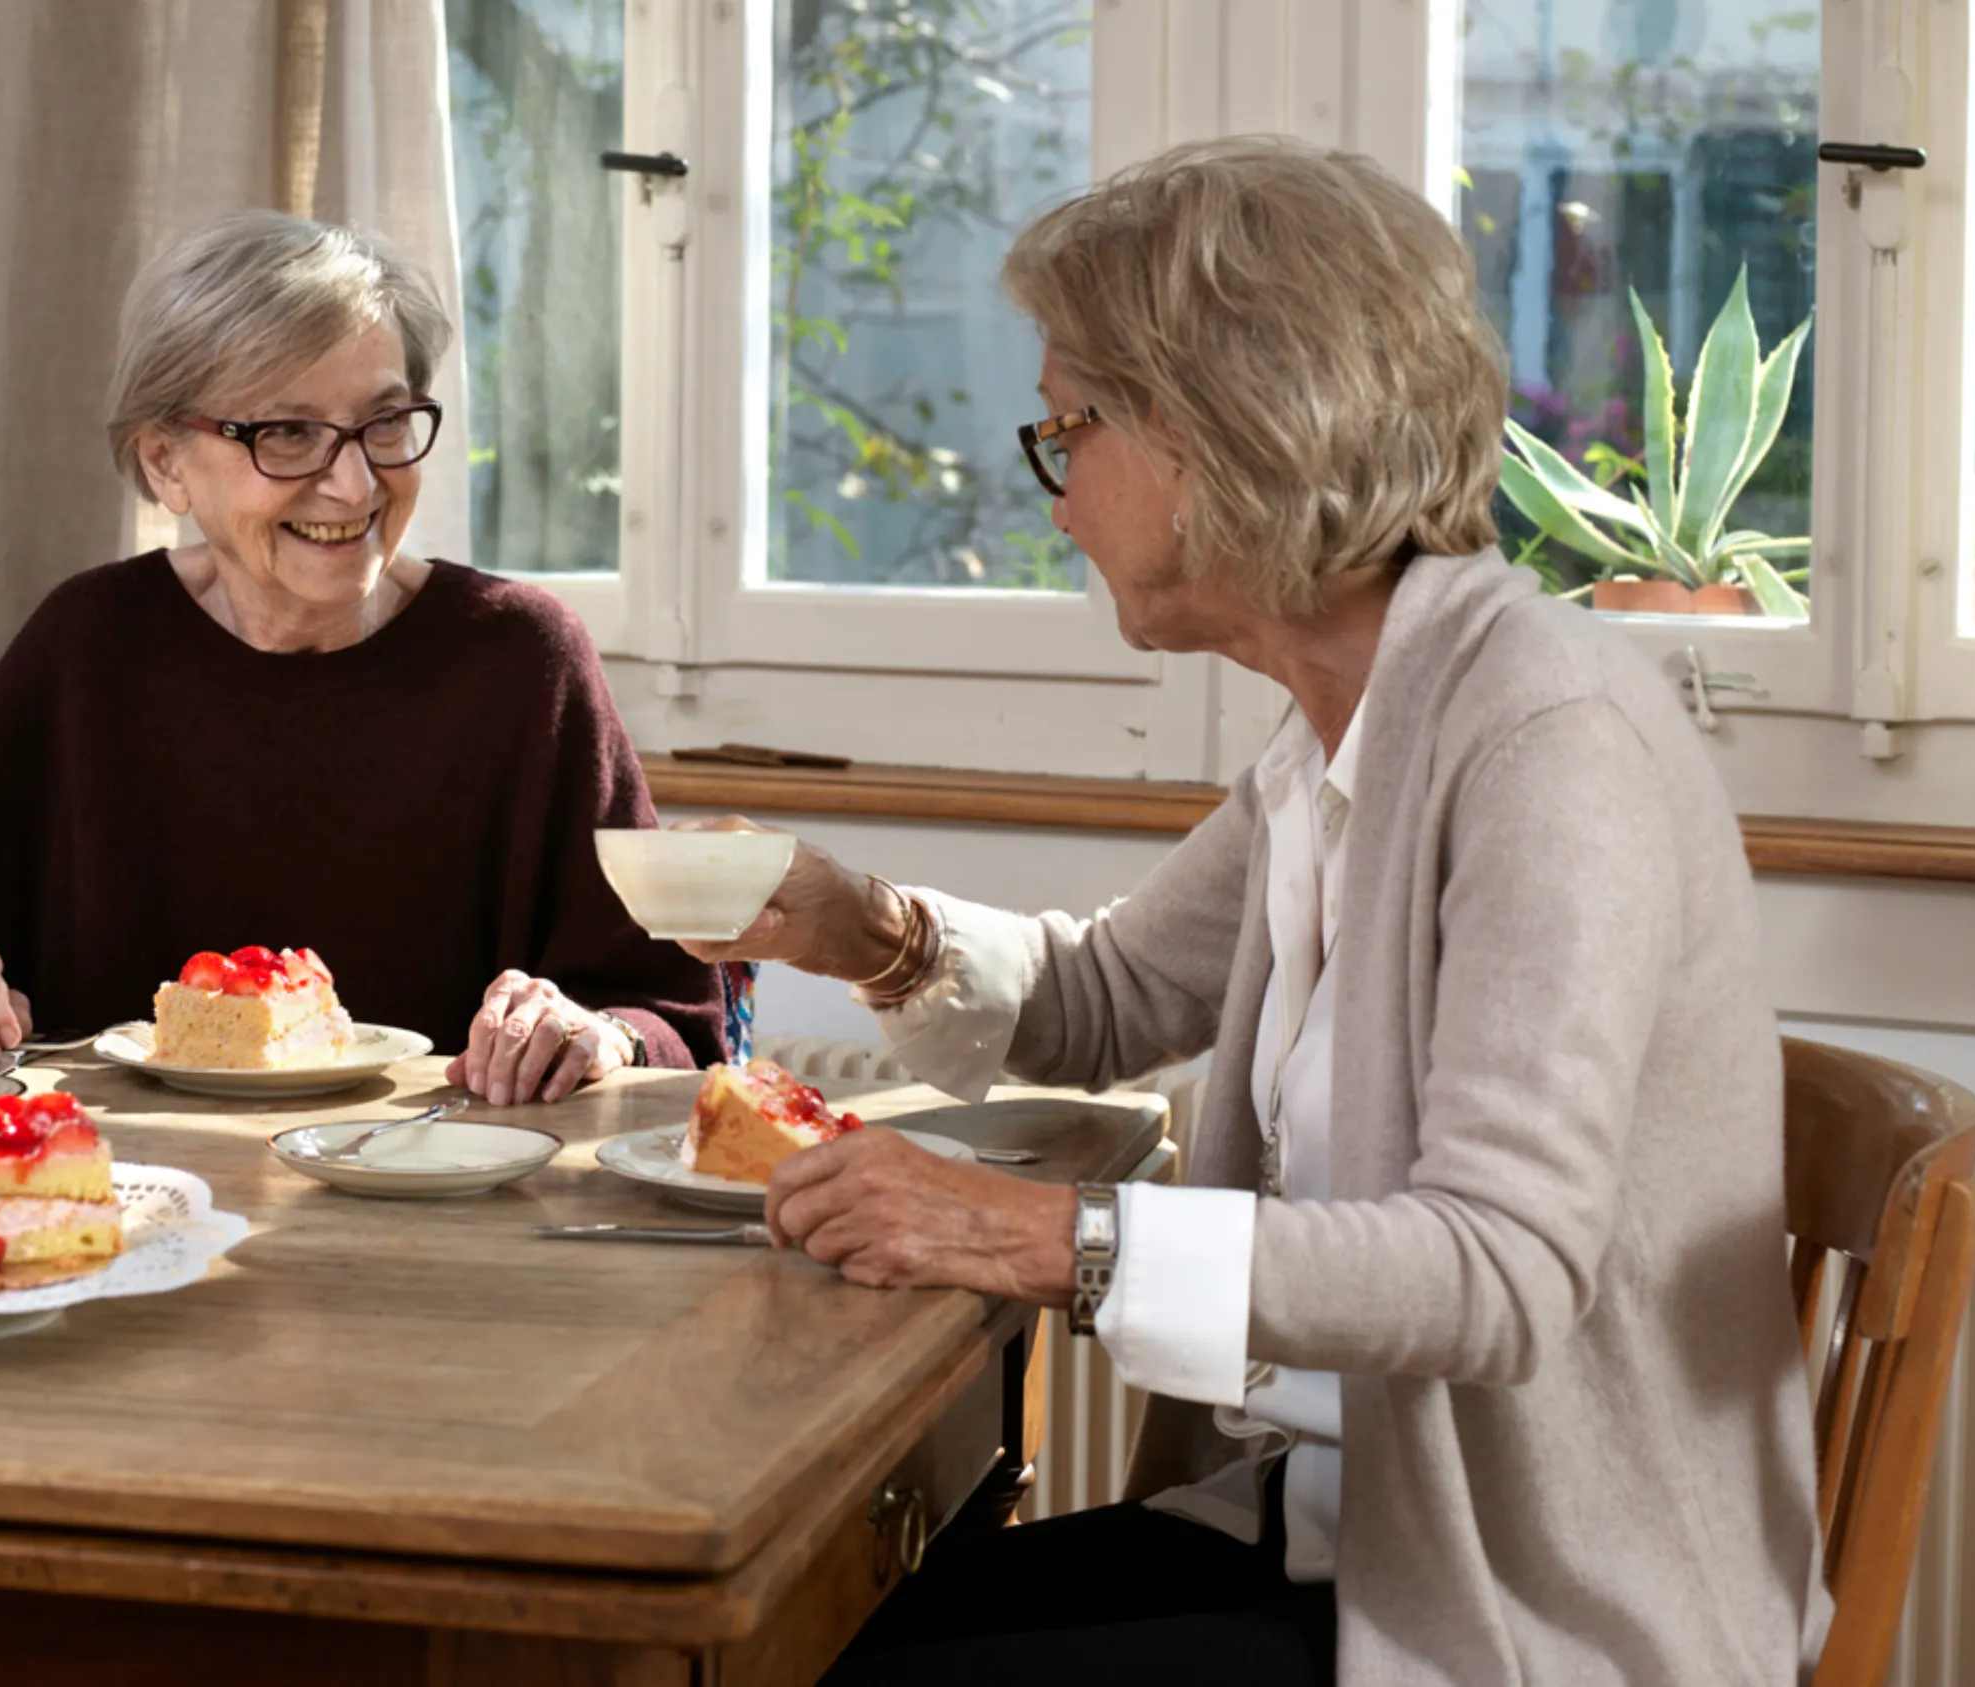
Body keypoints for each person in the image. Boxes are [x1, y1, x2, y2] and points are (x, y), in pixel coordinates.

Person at [683, 138, 1825, 1683]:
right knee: (792, 1625)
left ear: (1227, 428)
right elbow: (1104, 995)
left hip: (1525, 1611)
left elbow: (1497, 1270)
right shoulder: (1348, 726)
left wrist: (1051, 1237)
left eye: (1069, 425)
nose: (1058, 491)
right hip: (1330, 1526)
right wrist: (845, 917)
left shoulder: (1549, 736)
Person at [0, 212, 724, 1103]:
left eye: (387, 422)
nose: (354, 481)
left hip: (443, 1208)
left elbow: (673, 1015)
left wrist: (599, 1033)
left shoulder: (521, 659)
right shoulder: (92, 644)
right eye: (286, 433)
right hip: (118, 1199)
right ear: (165, 461)